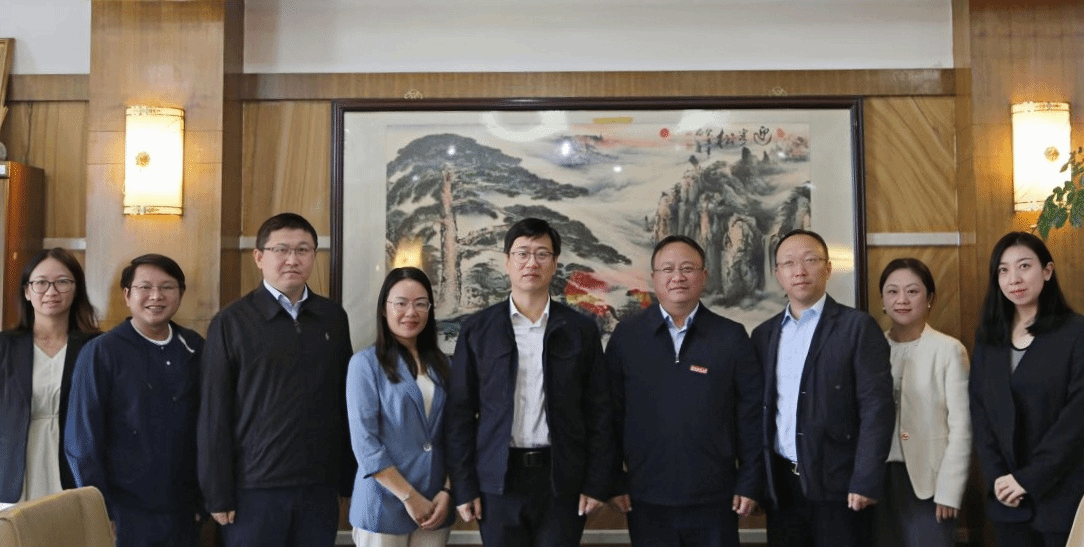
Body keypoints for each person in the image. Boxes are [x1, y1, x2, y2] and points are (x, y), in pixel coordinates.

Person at [444, 217, 613, 546]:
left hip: (562, 478)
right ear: (507, 262)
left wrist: (596, 482)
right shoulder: (478, 330)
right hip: (498, 478)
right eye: (522, 253)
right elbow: (459, 413)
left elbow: (600, 412)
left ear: (554, 263)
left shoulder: (580, 330)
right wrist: (463, 486)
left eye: (542, 254)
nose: (531, 263)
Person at [198, 212, 355, 547]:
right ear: (259, 257)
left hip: (318, 486)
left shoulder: (333, 318)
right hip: (254, 489)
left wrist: (347, 478)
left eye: (302, 250)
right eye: (281, 250)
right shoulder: (232, 322)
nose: (292, 260)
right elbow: (214, 413)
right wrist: (217, 492)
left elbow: (344, 403)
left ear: (313, 255)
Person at [606, 235, 763, 547]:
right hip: (645, 497)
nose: (677, 277)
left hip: (716, 497)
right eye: (668, 269)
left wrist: (750, 481)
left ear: (704, 276)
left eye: (688, 268)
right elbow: (607, 414)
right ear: (654, 278)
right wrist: (612, 479)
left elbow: (752, 416)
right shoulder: (627, 336)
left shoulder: (731, 337)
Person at [751, 228, 893, 547]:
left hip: (841, 485)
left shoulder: (857, 328)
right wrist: (757, 482)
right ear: (778, 274)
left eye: (810, 260)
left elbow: (877, 409)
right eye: (788, 263)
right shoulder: (764, 335)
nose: (799, 271)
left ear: (827, 268)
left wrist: (866, 478)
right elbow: (759, 413)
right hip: (783, 488)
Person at [65, 254, 204, 547]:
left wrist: (203, 502)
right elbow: (82, 442)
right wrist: (100, 510)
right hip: (123, 513)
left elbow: (210, 428)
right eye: (145, 287)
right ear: (127, 295)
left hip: (183, 511)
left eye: (167, 287)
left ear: (180, 294)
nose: (156, 296)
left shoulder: (195, 348)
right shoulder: (101, 352)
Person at [970, 231, 1084, 547]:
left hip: (1063, 497)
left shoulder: (1076, 333)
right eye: (1003, 270)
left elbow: (1077, 419)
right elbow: (980, 411)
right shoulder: (989, 338)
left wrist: (1029, 478)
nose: (1014, 279)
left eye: (1024, 266)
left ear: (1047, 271)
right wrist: (997, 477)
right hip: (1007, 499)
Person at [347, 267, 453, 547]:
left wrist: (448, 490)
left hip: (435, 505)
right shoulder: (365, 364)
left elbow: (457, 434)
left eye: (421, 304)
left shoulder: (445, 365)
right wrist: (410, 497)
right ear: (384, 309)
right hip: (384, 503)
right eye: (401, 303)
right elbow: (366, 444)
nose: (411, 312)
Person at [873, 258, 970, 547]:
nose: (901, 300)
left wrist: (950, 490)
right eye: (892, 291)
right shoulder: (870, 347)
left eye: (912, 291)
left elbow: (962, 427)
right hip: (876, 479)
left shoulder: (949, 350)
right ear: (883, 300)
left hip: (930, 482)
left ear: (930, 299)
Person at [0, 248, 100, 510]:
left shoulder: (97, 348)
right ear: (27, 291)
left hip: (76, 470)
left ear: (76, 289)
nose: (51, 291)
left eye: (62, 282)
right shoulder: (5, 347)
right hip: (13, 470)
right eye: (41, 282)